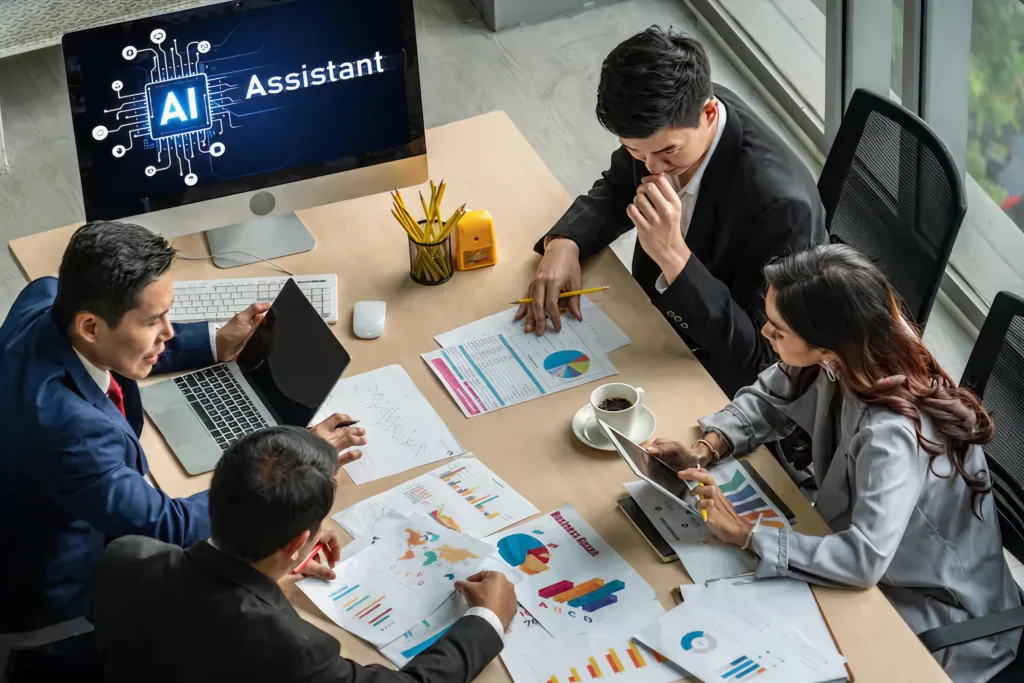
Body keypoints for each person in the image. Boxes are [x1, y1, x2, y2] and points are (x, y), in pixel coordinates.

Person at [0, 221, 367, 681]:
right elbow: (166, 523)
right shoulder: (67, 430)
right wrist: (291, 475)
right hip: (59, 598)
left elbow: (116, 348)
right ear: (90, 325)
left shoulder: (47, 297)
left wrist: (215, 341)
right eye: (153, 321)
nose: (168, 332)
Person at [645, 244, 1020, 682]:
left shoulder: (890, 435)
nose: (765, 332)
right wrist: (707, 447)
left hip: (937, 616)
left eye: (778, 330)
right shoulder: (847, 355)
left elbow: (863, 559)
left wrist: (748, 534)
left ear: (826, 343)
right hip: (871, 565)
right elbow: (769, 397)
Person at [519, 27, 826, 398]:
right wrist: (565, 242)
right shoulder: (671, 121)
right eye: (634, 151)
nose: (651, 167)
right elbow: (619, 187)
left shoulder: (781, 208)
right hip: (651, 324)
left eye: (667, 153)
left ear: (710, 113)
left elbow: (761, 357)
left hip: (710, 370)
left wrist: (674, 257)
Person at [92, 426, 517, 683]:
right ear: (299, 544)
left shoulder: (129, 557)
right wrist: (487, 622)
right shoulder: (291, 650)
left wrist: (268, 570)